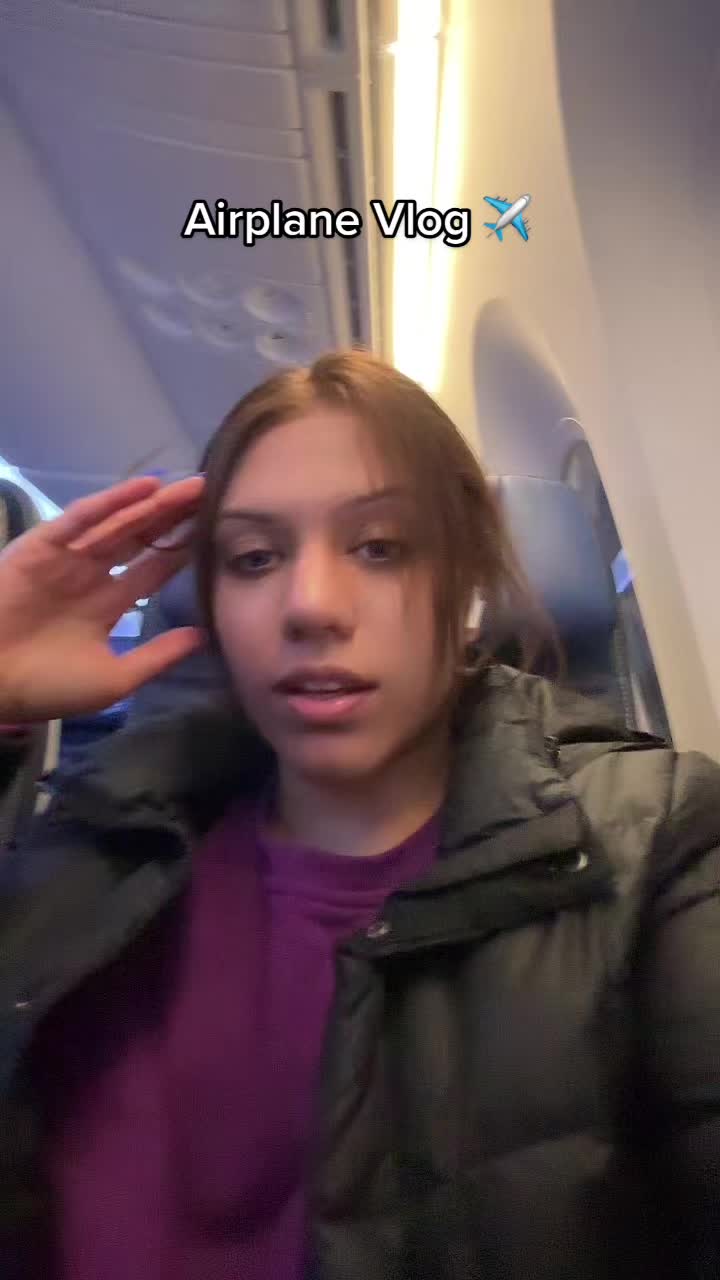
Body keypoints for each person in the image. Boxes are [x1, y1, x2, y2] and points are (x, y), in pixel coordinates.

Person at [0, 349, 719, 1280]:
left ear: (467, 578)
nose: (310, 606)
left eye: (380, 548)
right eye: (253, 559)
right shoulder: (100, 835)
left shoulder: (658, 846)